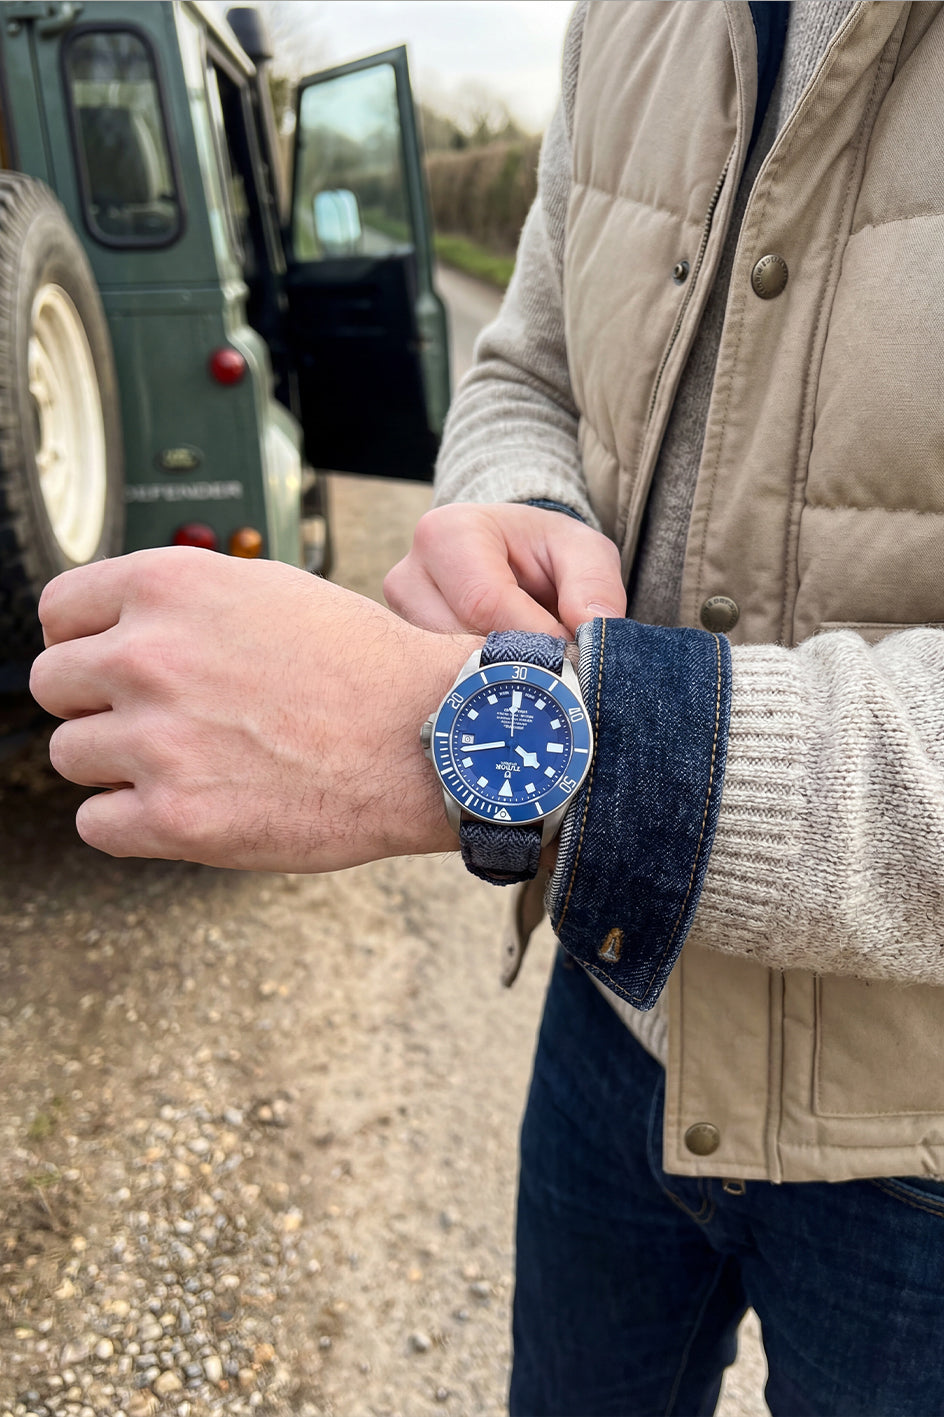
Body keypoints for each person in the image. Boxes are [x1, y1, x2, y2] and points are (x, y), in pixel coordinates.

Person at [29, 2, 944, 1413]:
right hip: (611, 1002)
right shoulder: (626, 20)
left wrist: (461, 744)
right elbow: (528, 365)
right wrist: (514, 501)